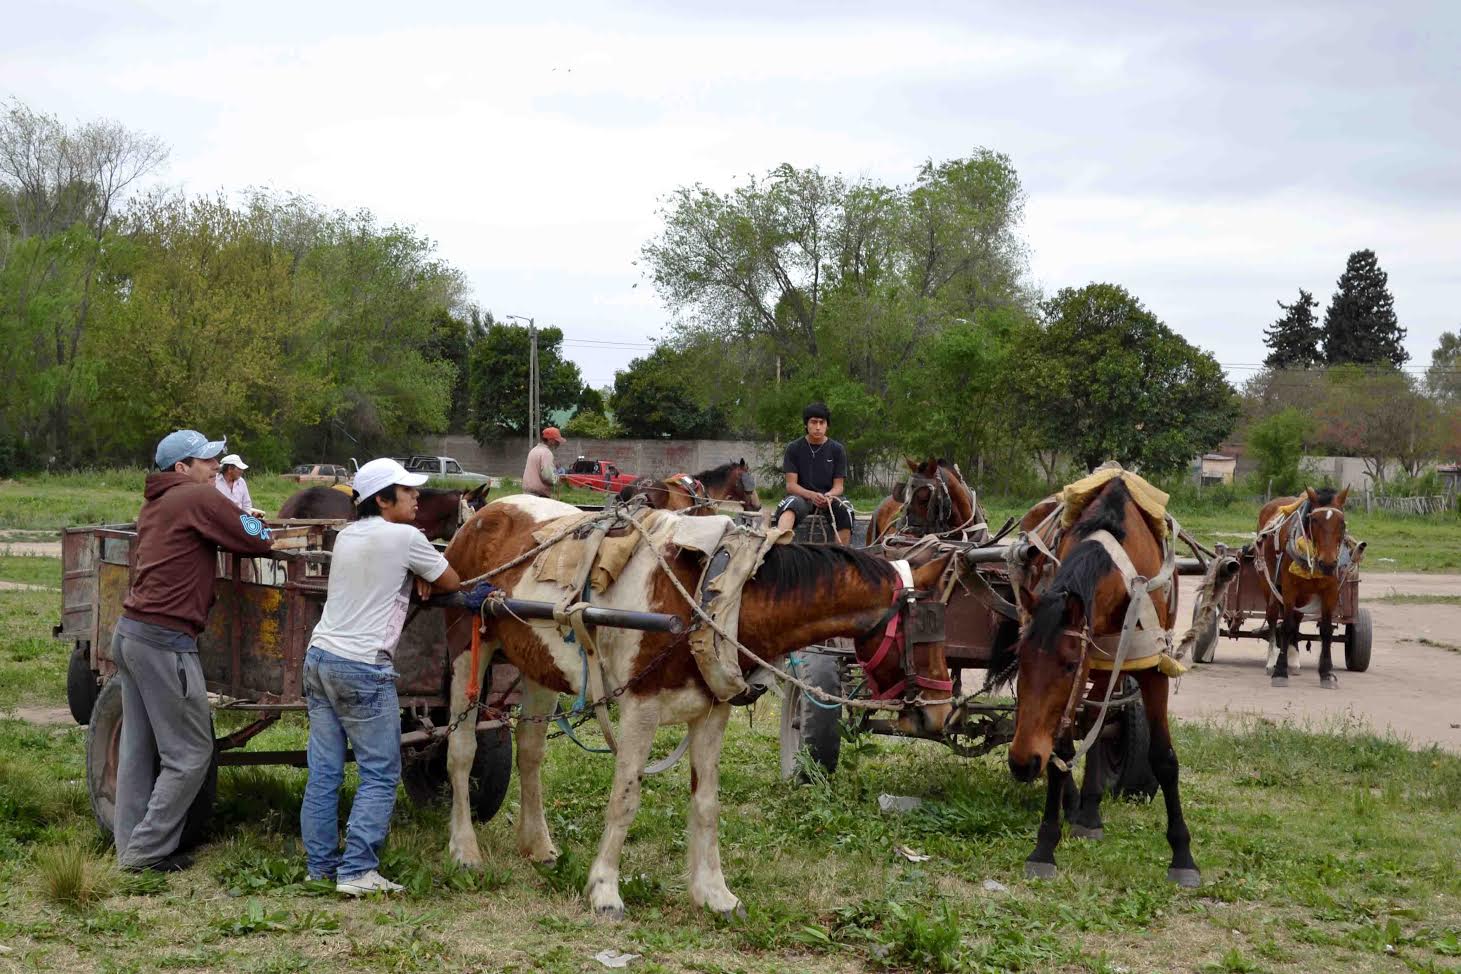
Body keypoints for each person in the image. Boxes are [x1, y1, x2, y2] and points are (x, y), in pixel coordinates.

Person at [300, 457, 466, 896]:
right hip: (362, 668)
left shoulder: (348, 535)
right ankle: (356, 871)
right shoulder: (406, 537)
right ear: (382, 499)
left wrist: (414, 575)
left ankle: (320, 868)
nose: (417, 498)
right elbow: (451, 579)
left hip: (319, 658)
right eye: (408, 491)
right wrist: (422, 573)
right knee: (380, 772)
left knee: (324, 771)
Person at [113, 429, 277, 872]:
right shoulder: (194, 498)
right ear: (181, 468)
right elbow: (258, 536)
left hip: (132, 633)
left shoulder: (158, 501)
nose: (214, 467)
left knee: (137, 749)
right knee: (189, 755)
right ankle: (144, 855)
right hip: (165, 640)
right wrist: (254, 524)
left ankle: (129, 846)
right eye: (205, 461)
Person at [774, 402, 854, 544]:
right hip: (801, 497)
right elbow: (791, 486)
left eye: (822, 422)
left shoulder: (837, 449)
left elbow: (839, 486)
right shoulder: (794, 448)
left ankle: (841, 557)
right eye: (813, 422)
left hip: (828, 499)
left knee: (846, 510)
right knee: (790, 507)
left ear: (827, 425)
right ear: (806, 424)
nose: (818, 427)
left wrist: (829, 495)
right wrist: (811, 495)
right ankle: (780, 550)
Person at [214, 453, 265, 517]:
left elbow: (246, 504)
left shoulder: (241, 482)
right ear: (230, 469)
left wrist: (246, 520)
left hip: (239, 519)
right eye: (239, 469)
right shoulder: (214, 481)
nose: (242, 471)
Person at [523, 426, 563, 498]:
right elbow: (547, 476)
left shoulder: (534, 450)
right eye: (556, 441)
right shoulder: (546, 453)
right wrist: (559, 480)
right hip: (539, 495)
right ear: (550, 440)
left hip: (527, 493)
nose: (558, 443)